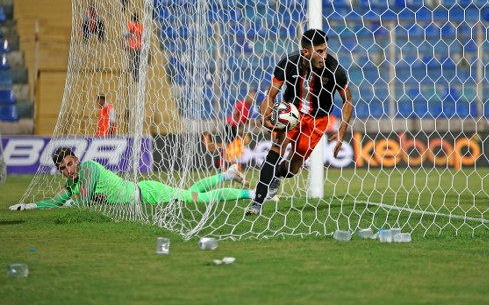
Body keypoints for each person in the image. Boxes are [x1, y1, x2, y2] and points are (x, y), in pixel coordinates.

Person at [246, 29, 353, 216]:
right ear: (306, 52)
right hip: (291, 112)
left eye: (325, 50)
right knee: (276, 147)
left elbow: (348, 101)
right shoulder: (288, 64)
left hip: (317, 119)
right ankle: (257, 202)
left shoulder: (334, 70)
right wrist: (265, 114)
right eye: (319, 51)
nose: (324, 55)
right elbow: (270, 95)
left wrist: (342, 131)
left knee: (293, 168)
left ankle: (277, 175)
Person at [9, 147, 253, 211]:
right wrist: (29, 205)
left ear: (77, 159)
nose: (69, 169)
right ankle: (228, 174)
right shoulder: (74, 182)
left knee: (198, 200)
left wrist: (71, 200)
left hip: (147, 194)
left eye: (70, 163)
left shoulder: (90, 169)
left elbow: (81, 202)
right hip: (145, 195)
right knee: (191, 192)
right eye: (63, 168)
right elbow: (56, 201)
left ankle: (251, 194)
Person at [126, 14, 143, 82]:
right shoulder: (141, 26)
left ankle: (134, 77)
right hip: (139, 47)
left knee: (133, 62)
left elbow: (125, 34)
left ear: (132, 19)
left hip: (132, 47)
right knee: (137, 63)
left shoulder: (129, 25)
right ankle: (137, 78)